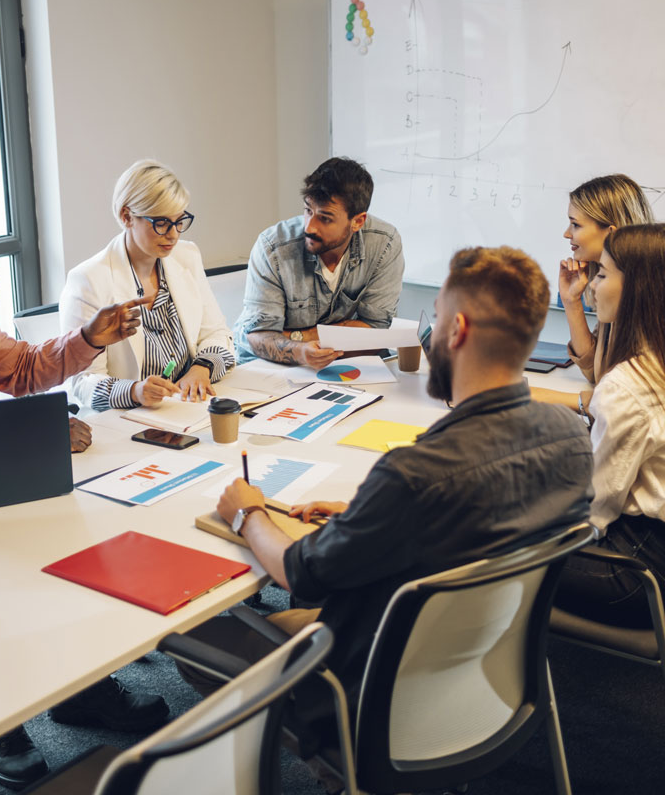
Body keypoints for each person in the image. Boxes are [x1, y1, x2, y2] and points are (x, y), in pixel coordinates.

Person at [182, 245, 594, 765]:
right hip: (484, 683)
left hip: (366, 695)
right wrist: (367, 514)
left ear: (457, 331)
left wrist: (247, 512)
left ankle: (336, 769)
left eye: (435, 320)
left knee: (201, 637)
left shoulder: (413, 475)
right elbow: (473, 520)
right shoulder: (571, 438)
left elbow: (299, 574)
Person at [0, 218, 170, 788]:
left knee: (69, 562)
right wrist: (30, 434)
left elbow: (21, 372)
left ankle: (80, 691)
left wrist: (90, 338)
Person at [555, 223, 665, 626]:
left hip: (639, 572)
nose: (594, 286)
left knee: (482, 542)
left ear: (639, 287)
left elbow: (595, 510)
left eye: (602, 274)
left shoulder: (630, 384)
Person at [59, 159, 235, 410]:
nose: (173, 234)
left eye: (179, 221)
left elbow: (218, 333)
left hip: (188, 407)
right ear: (127, 216)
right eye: (161, 223)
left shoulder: (187, 256)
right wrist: (134, 391)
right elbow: (80, 381)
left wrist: (202, 367)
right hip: (129, 419)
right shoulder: (88, 280)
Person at [233, 156, 405, 368]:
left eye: (325, 218)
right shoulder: (273, 247)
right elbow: (258, 337)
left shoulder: (383, 244)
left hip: (338, 365)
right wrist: (300, 351)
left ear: (358, 221)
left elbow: (376, 332)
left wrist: (296, 336)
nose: (310, 227)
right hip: (266, 367)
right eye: (308, 210)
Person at [533, 174, 654, 417]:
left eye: (575, 224)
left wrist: (540, 397)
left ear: (611, 233)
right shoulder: (613, 287)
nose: (567, 234)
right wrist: (571, 301)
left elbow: (627, 400)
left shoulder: (648, 297)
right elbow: (597, 373)